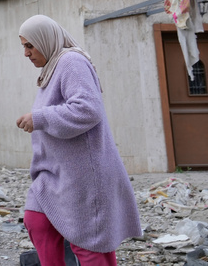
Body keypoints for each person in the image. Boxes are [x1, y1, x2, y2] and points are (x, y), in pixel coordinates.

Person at [15, 14, 142, 266]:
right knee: (36, 220)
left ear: (46, 39)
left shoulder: (71, 62)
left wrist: (39, 118)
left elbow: (88, 109)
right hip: (54, 175)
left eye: (30, 45)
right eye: (24, 47)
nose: (26, 53)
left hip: (83, 176)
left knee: (89, 244)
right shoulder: (52, 70)